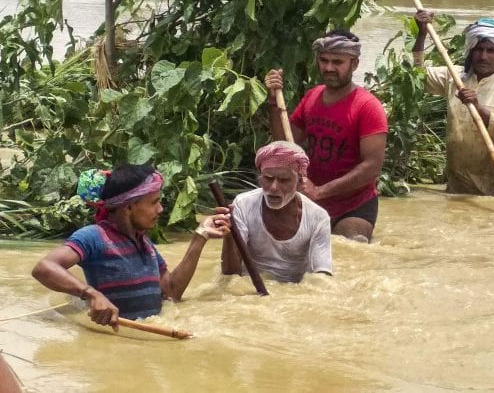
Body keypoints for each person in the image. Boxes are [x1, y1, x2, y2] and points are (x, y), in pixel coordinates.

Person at [31, 164, 231, 327]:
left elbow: (171, 292)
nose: (160, 209)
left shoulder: (145, 243)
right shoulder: (94, 236)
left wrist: (200, 236)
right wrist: (91, 294)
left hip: (145, 335)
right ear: (128, 207)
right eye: (154, 202)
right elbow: (44, 268)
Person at [264, 29, 387, 242]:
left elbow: (372, 168)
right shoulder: (312, 96)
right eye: (324, 60)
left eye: (337, 62)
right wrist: (274, 102)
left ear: (354, 64)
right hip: (311, 201)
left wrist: (320, 191)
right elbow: (284, 144)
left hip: (354, 205)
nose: (329, 68)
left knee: (351, 245)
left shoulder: (368, 107)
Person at [413, 11, 494, 196]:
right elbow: (416, 77)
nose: (483, 57)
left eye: (491, 51)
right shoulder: (455, 77)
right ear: (470, 51)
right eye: (478, 49)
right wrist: (422, 34)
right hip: (456, 187)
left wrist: (479, 109)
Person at [221, 141, 332, 282]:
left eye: (284, 180)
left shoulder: (318, 217)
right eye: (268, 178)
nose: (273, 187)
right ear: (260, 179)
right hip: (250, 289)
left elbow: (322, 276)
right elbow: (230, 275)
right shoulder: (242, 205)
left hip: (293, 292)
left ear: (299, 182)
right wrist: (230, 235)